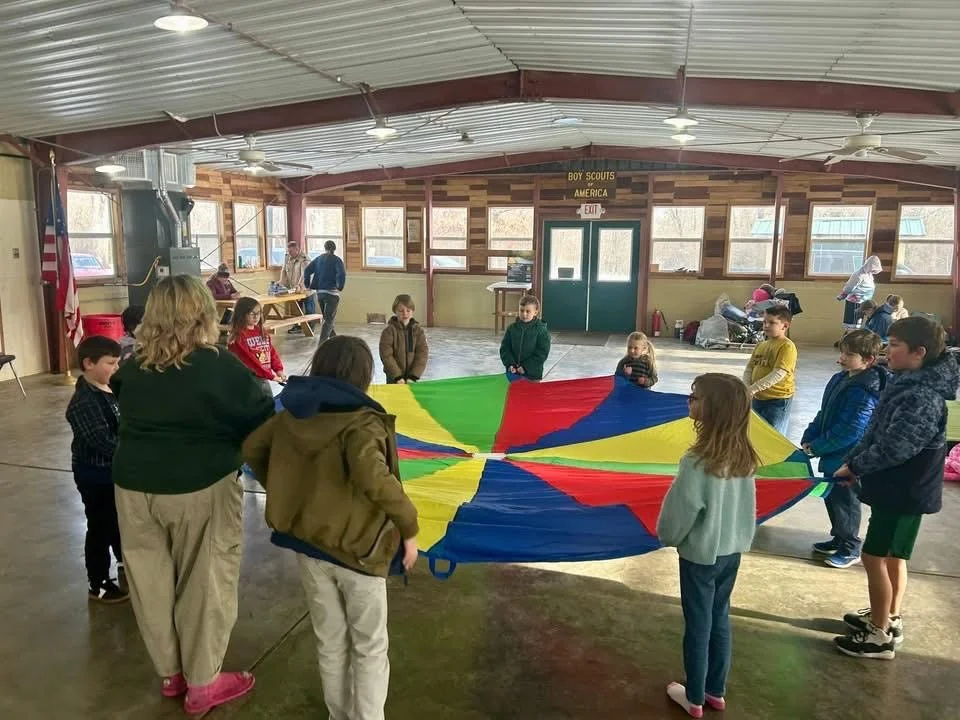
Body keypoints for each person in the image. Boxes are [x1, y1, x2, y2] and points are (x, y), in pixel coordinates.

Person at [110, 275, 274, 713]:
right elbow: (260, 416)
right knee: (206, 581)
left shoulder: (132, 366)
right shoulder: (218, 365)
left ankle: (171, 673)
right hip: (199, 486)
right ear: (204, 311)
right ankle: (203, 682)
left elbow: (123, 398)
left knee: (150, 583)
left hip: (132, 486)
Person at [242, 336, 419, 720]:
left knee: (330, 640)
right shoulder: (360, 422)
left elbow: (253, 448)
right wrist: (409, 525)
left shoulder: (291, 414)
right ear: (364, 376)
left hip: (309, 546)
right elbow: (374, 477)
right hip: (358, 552)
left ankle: (339, 714)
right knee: (370, 646)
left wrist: (286, 488)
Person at [833, 317, 958, 660]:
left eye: (895, 345)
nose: (888, 350)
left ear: (919, 353)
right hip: (904, 491)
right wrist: (855, 459)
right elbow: (877, 431)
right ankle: (888, 615)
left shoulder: (922, 396)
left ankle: (879, 635)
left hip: (903, 493)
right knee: (894, 557)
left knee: (875, 556)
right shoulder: (907, 382)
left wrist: (856, 467)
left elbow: (896, 446)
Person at [657, 373, 759, 719]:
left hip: (700, 555)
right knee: (720, 618)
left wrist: (667, 536)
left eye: (695, 397)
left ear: (712, 409)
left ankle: (694, 697)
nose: (690, 400)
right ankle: (716, 691)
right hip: (731, 552)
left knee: (698, 623)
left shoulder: (696, 462)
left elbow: (680, 512)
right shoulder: (745, 456)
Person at [801, 330, 888, 569]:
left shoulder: (866, 390)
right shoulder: (840, 379)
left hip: (848, 456)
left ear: (868, 360)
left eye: (849, 355)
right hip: (832, 453)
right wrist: (810, 436)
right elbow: (824, 413)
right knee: (833, 497)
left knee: (846, 501)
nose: (841, 359)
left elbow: (851, 429)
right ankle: (838, 538)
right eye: (842, 353)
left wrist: (817, 447)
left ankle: (850, 547)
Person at [65, 335, 127, 604]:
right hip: (95, 474)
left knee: (117, 521)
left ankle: (125, 562)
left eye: (117, 363)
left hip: (114, 472)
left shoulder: (109, 388)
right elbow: (104, 443)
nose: (115, 369)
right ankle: (98, 581)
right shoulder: (84, 402)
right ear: (89, 363)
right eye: (110, 363)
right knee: (101, 524)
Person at [743, 306, 797, 435]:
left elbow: (778, 373)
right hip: (758, 398)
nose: (766, 325)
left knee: (773, 435)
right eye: (764, 322)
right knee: (756, 433)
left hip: (777, 400)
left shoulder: (787, 346)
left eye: (772, 322)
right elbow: (750, 368)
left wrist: (754, 388)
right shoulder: (761, 345)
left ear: (785, 326)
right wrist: (746, 387)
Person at [227, 297, 287, 386]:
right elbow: (249, 362)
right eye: (252, 313)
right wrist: (271, 376)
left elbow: (271, 352)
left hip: (263, 377)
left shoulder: (261, 331)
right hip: (248, 380)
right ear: (241, 314)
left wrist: (279, 370)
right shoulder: (238, 337)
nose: (256, 316)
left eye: (258, 313)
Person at [499, 294, 551, 381]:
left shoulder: (541, 330)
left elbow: (542, 353)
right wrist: (510, 364)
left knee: (531, 394)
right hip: (513, 373)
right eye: (521, 310)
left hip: (532, 375)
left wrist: (526, 367)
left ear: (535, 312)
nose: (524, 314)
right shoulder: (512, 329)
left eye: (528, 311)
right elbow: (505, 348)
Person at [379, 294, 428, 384]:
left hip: (411, 378)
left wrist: (414, 375)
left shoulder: (418, 331)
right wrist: (397, 376)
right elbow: (386, 355)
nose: (405, 313)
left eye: (408, 310)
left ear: (412, 311)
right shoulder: (389, 332)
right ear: (395, 311)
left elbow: (422, 354)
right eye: (401, 311)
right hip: (393, 378)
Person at [304, 240, 346, 342]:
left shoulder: (319, 259)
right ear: (334, 249)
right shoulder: (337, 260)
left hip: (320, 294)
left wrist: (307, 285)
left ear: (325, 248)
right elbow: (341, 274)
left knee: (327, 319)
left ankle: (335, 341)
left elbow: (307, 270)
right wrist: (340, 287)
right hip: (332, 294)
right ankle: (321, 345)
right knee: (328, 320)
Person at [837, 255, 882, 331]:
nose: (873, 271)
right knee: (852, 325)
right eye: (872, 269)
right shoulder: (858, 275)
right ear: (869, 266)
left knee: (858, 324)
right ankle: (850, 337)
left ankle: (854, 336)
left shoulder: (869, 275)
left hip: (863, 302)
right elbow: (849, 287)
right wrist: (843, 295)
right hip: (855, 302)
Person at [279, 240, 315, 334]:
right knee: (296, 309)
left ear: (297, 249)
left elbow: (305, 275)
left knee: (309, 310)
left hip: (306, 290)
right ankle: (297, 326)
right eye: (288, 251)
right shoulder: (288, 257)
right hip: (294, 290)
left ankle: (310, 328)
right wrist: (280, 283)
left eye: (291, 251)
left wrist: (299, 285)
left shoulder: (305, 260)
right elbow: (284, 270)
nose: (289, 253)